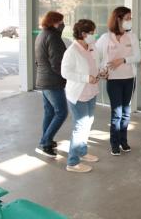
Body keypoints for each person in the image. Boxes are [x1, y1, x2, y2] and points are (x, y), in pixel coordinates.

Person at [96, 6, 141, 156]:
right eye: (127, 18)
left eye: (130, 18)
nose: (130, 21)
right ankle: (114, 143)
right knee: (117, 112)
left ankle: (123, 141)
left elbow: (137, 57)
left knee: (126, 112)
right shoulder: (105, 38)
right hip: (114, 80)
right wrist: (101, 69)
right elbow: (97, 56)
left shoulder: (132, 37)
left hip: (129, 79)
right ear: (118, 19)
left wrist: (123, 60)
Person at [61, 19, 101, 173]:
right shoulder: (72, 51)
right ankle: (72, 162)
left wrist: (100, 72)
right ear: (83, 34)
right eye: (92, 33)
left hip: (91, 92)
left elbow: (95, 64)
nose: (94, 35)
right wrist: (86, 78)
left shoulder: (91, 47)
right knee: (80, 127)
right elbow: (65, 72)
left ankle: (82, 152)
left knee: (88, 123)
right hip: (77, 94)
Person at [34, 11, 68, 158]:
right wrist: (66, 77)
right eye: (60, 21)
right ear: (54, 22)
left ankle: (46, 139)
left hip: (43, 79)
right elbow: (57, 63)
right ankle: (45, 142)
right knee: (62, 112)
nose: (62, 24)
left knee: (50, 112)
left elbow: (39, 60)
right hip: (53, 81)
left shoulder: (41, 35)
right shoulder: (53, 37)